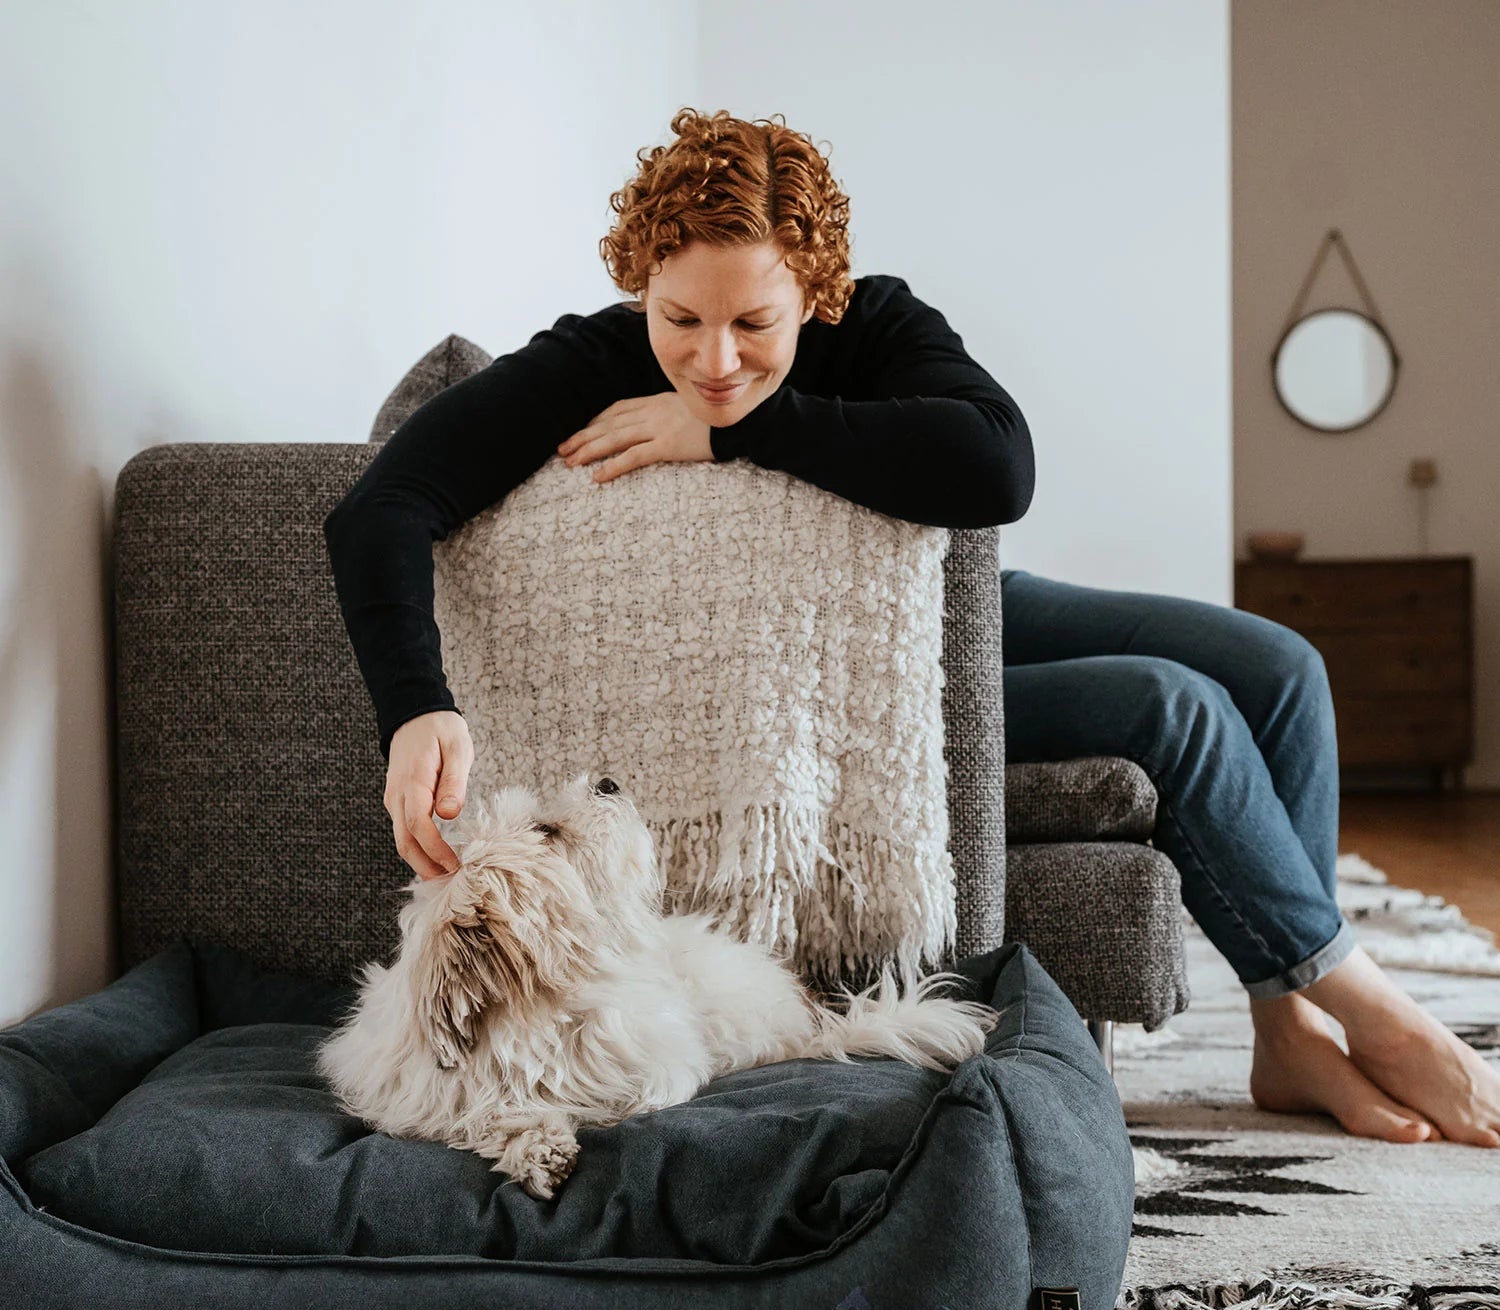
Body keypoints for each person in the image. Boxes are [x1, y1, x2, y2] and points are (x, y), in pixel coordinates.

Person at [323, 107, 1500, 1150]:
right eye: (680, 319)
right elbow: (381, 505)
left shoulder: (875, 320)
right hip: (836, 686)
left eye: (756, 323)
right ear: (644, 285)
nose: (714, 360)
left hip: (945, 616)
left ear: (814, 289)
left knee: (1280, 666)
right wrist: (416, 706)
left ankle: (1289, 1029)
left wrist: (732, 435)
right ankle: (1371, 1009)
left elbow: (997, 465)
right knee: (1173, 707)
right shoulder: (589, 358)